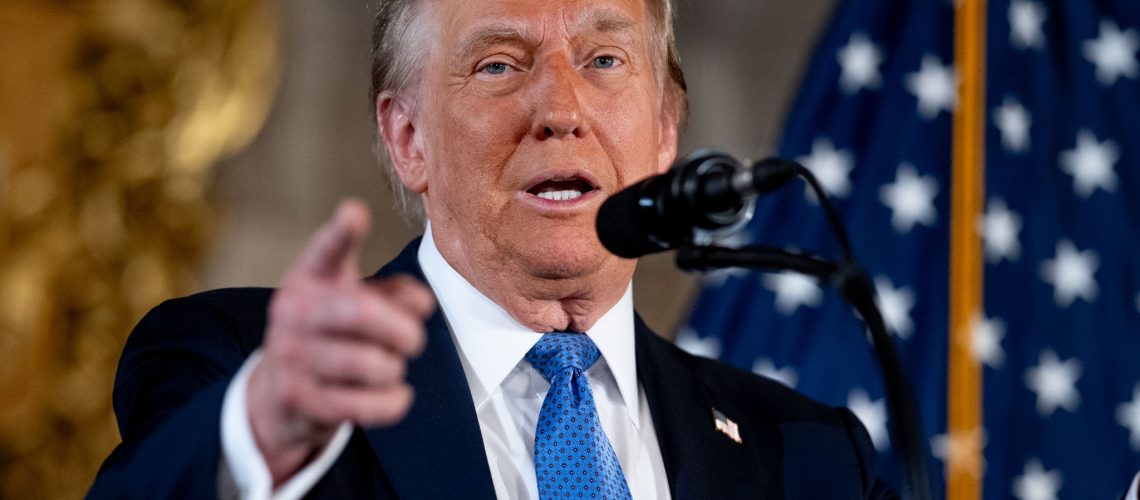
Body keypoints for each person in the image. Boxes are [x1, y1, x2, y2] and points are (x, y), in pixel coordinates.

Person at [89, 0, 896, 498]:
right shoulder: (238, 366)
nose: (560, 109)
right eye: (499, 64)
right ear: (407, 137)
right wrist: (257, 433)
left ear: (664, 133)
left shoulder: (810, 459)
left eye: (605, 59)